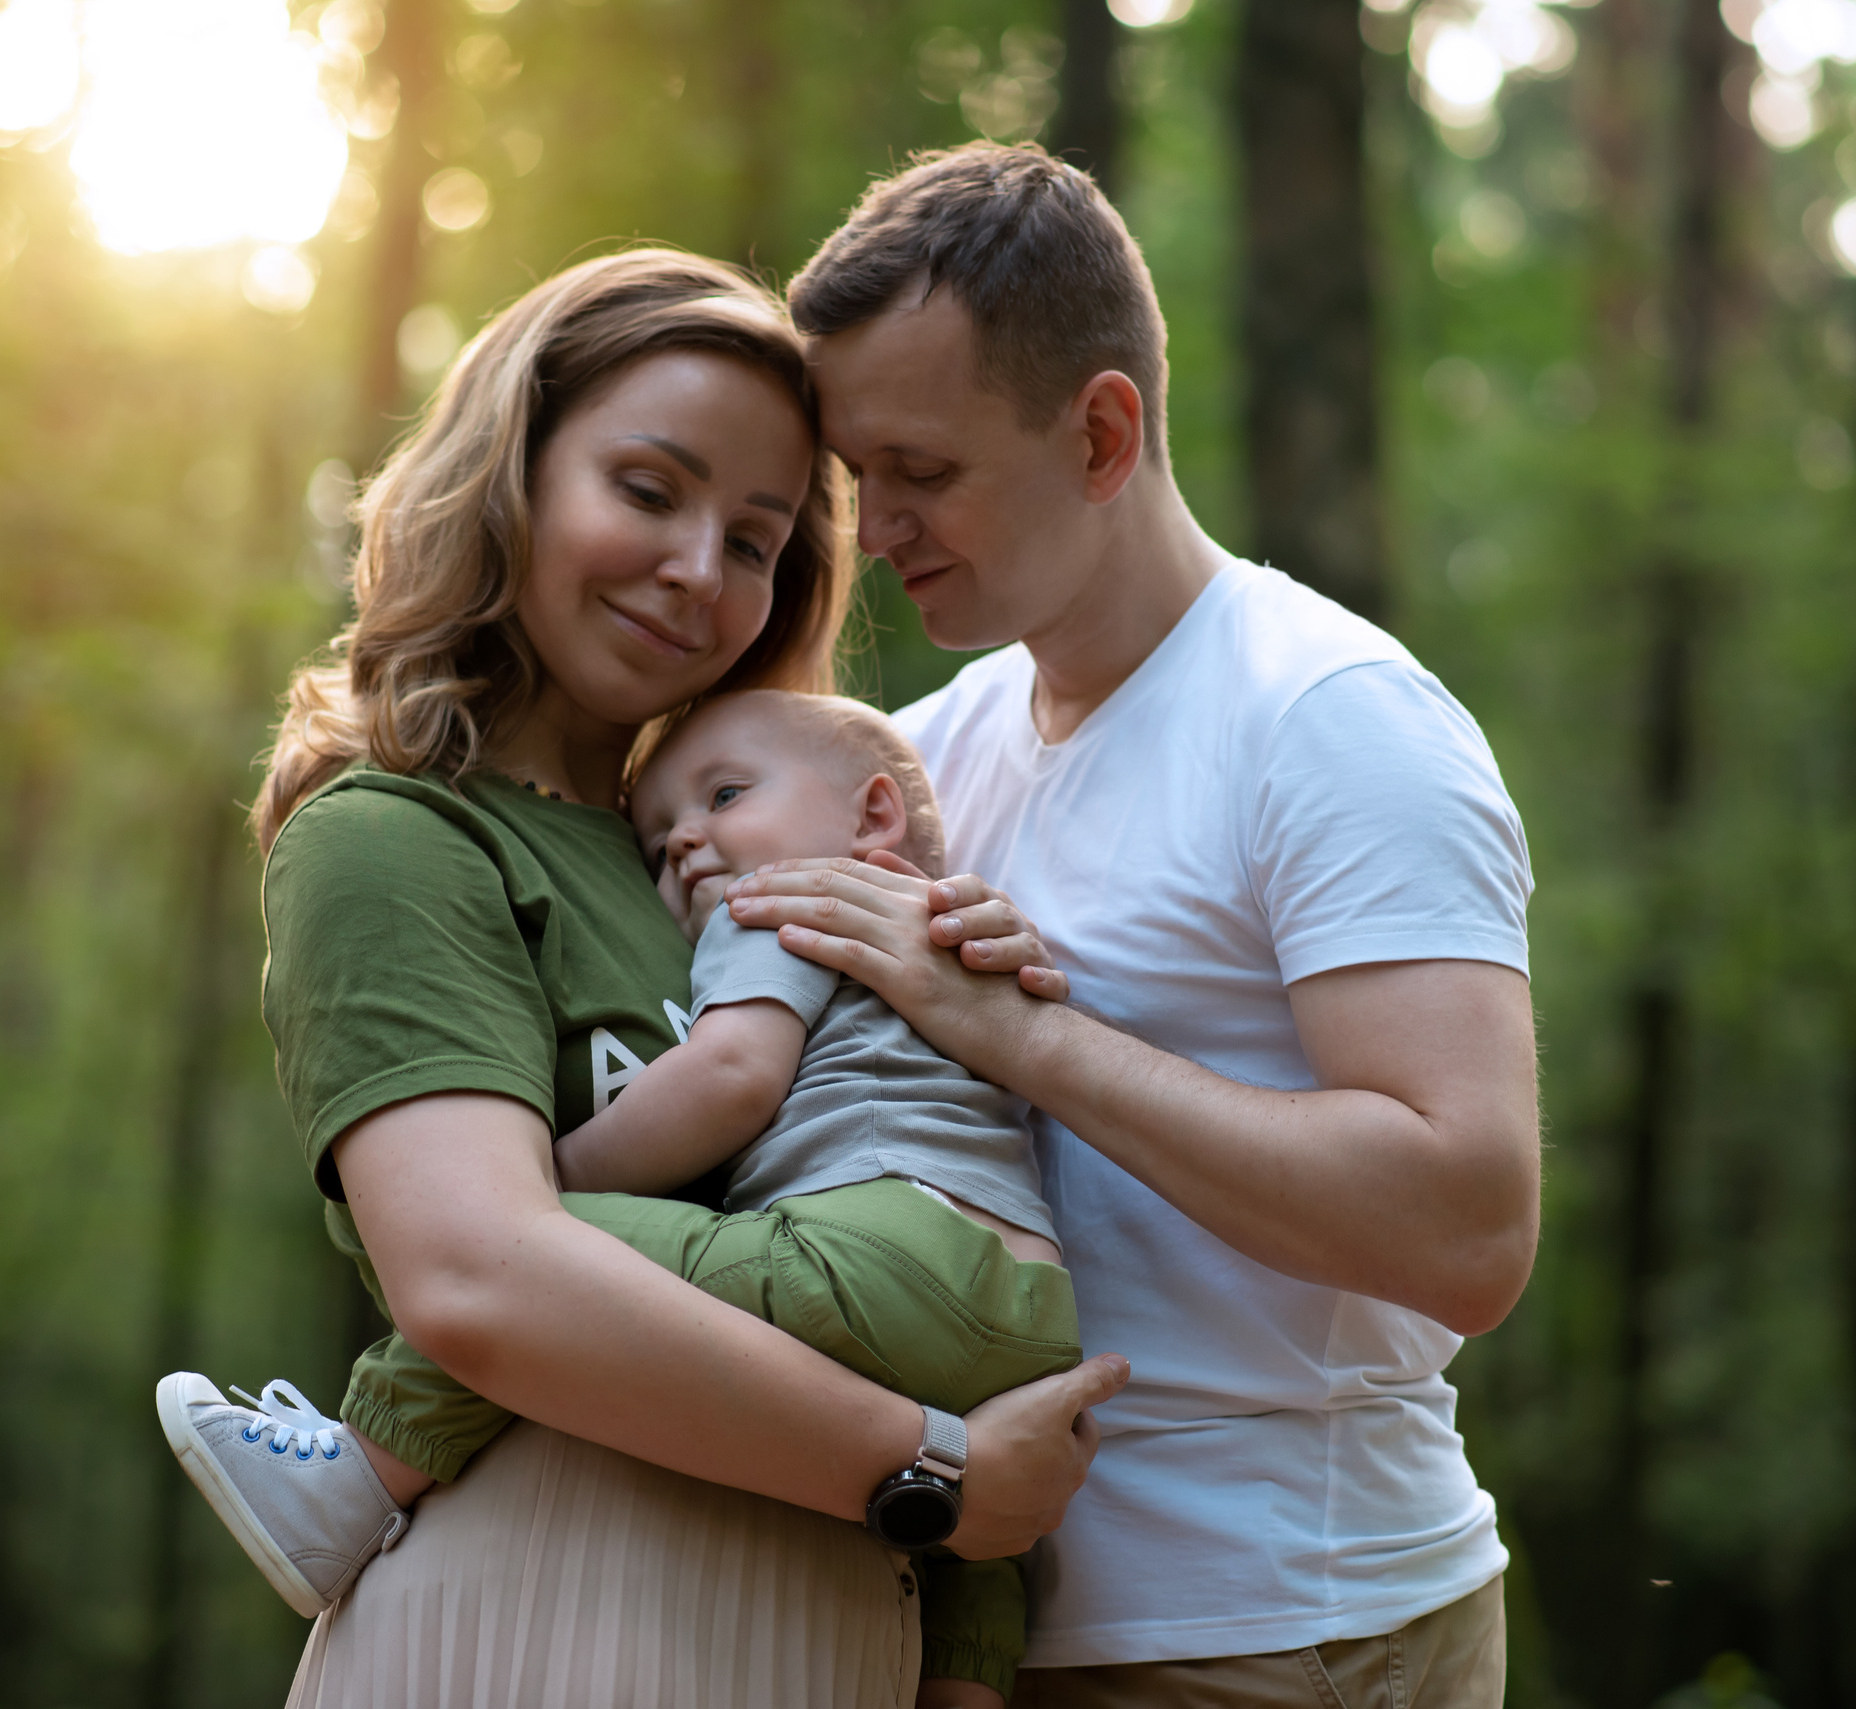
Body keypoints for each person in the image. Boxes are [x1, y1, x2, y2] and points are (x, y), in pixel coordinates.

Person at [167, 247, 1128, 1709]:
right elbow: (480, 1275)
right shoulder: (394, 837)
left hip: (822, 1634)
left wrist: (980, 980)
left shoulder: (709, 861)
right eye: (647, 490)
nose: (697, 570)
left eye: (753, 539)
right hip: (551, 1623)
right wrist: (928, 1470)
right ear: (513, 472)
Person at [722, 145, 1540, 1707]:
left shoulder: (1332, 720)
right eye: (854, 476)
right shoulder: (928, 753)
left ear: (1102, 432)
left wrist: (1029, 1038)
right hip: (978, 1622)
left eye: (925, 470)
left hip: (1283, 1631)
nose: (874, 525)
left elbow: (1472, 1228)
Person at [170, 687, 1082, 1700]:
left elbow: (731, 1075)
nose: (689, 841)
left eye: (725, 793)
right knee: (983, 1560)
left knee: (521, 1249)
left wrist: (548, 1181)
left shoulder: (781, 900)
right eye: (655, 842)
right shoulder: (960, 923)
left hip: (883, 1250)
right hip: (1031, 1310)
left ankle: (356, 1474)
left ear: (872, 815)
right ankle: (964, 1684)